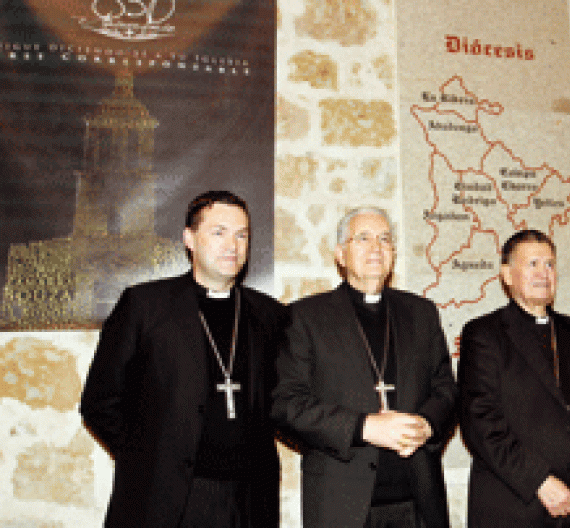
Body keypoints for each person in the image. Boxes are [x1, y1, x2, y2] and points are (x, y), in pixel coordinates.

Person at [80, 190, 287, 528]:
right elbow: (100, 402)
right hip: (168, 500)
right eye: (218, 232)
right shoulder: (145, 306)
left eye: (241, 235)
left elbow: (284, 402)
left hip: (248, 502)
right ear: (189, 238)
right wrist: (148, 458)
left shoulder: (270, 316)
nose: (232, 245)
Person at [271, 207, 457, 528]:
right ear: (340, 255)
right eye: (364, 238)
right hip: (341, 505)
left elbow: (446, 389)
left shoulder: (420, 313)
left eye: (385, 239)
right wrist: (364, 428)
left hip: (418, 503)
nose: (376, 247)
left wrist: (427, 424)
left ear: (394, 253)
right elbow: (286, 404)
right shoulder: (305, 317)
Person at [459, 229, 570, 527]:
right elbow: (481, 422)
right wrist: (539, 480)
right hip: (516, 508)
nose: (543, 273)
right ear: (507, 275)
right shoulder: (484, 335)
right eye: (532, 264)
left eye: (550, 264)